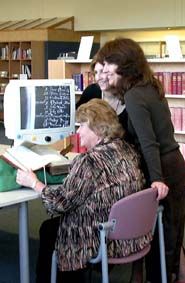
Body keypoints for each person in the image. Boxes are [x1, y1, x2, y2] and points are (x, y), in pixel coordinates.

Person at [16, 99, 148, 283]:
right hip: (130, 233)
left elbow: (59, 204)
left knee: (49, 229)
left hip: (101, 238)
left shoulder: (89, 161)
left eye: (81, 126)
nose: (77, 132)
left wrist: (34, 182)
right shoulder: (127, 149)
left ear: (98, 128)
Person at [95, 37, 185, 283]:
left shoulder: (135, 95)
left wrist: (156, 179)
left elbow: (148, 142)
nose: (105, 70)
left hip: (162, 167)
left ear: (124, 64)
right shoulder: (149, 86)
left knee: (163, 236)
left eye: (109, 64)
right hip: (174, 163)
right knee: (172, 232)